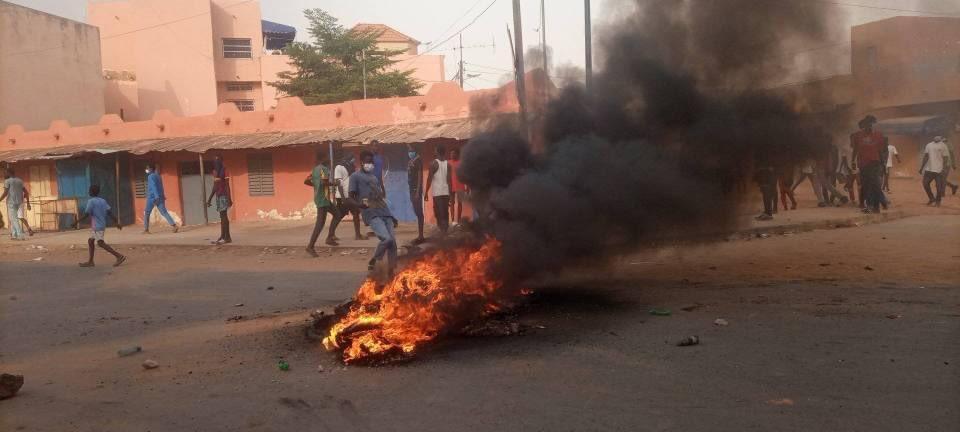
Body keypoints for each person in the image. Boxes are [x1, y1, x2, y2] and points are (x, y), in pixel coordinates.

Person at [348, 150, 398, 275]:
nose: (369, 164)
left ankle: (391, 271)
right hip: (370, 212)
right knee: (386, 239)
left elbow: (380, 198)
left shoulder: (374, 178)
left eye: (371, 162)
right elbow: (350, 197)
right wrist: (359, 206)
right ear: (361, 162)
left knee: (393, 242)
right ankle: (374, 259)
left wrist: (392, 216)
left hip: (385, 212)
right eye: (367, 161)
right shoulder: (355, 177)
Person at [75, 184, 126, 267]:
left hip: (96, 226)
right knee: (90, 241)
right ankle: (91, 261)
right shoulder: (103, 201)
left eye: (89, 190)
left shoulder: (91, 201)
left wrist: (76, 222)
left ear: (91, 192)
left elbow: (86, 214)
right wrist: (116, 222)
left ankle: (119, 256)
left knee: (100, 243)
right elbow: (109, 212)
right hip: (100, 225)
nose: (88, 191)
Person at [305, 152, 343, 256]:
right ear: (323, 159)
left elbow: (306, 181)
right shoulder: (324, 169)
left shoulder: (315, 169)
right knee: (320, 224)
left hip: (322, 198)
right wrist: (335, 183)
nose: (330, 160)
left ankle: (330, 237)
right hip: (322, 199)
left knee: (337, 214)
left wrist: (315, 185)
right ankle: (310, 246)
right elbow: (323, 183)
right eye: (328, 157)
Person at [851, 116, 887, 213]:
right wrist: (853, 161)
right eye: (867, 124)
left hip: (874, 163)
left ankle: (874, 206)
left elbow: (881, 151)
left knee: (874, 184)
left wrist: (883, 165)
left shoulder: (878, 135)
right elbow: (855, 150)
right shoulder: (858, 136)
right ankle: (873, 206)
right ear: (863, 126)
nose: (869, 126)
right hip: (862, 164)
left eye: (871, 124)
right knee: (866, 185)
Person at [334, 153, 365, 241]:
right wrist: (343, 198)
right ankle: (330, 235)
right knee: (339, 215)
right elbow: (339, 183)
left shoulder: (352, 167)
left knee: (355, 213)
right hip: (342, 196)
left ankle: (358, 235)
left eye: (353, 159)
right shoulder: (339, 167)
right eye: (351, 159)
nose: (353, 160)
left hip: (351, 195)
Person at [143, 163, 179, 234]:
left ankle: (146, 229)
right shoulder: (158, 176)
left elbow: (154, 187)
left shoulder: (150, 176)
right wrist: (161, 196)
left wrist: (156, 197)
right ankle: (174, 225)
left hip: (152, 198)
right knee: (164, 212)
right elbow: (161, 187)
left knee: (147, 213)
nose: (146, 170)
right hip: (160, 197)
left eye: (147, 168)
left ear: (151, 169)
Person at [424, 145, 453, 234]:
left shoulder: (433, 164)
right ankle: (445, 230)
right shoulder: (448, 164)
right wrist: (451, 194)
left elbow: (429, 179)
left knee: (439, 212)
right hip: (446, 192)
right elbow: (449, 181)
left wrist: (426, 192)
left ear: (437, 152)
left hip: (437, 193)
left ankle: (442, 231)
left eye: (435, 150)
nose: (434, 152)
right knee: (445, 212)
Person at [206, 156, 232, 244]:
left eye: (218, 161)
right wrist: (209, 199)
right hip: (218, 196)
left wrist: (229, 198)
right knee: (222, 217)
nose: (216, 162)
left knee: (224, 216)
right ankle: (223, 236)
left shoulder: (225, 171)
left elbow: (227, 186)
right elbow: (215, 186)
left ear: (221, 161)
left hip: (224, 196)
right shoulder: (215, 172)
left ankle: (227, 237)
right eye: (215, 161)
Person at [919, 136, 951, 207]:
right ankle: (931, 198)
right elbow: (926, 156)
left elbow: (946, 158)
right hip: (929, 169)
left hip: (939, 170)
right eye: (935, 138)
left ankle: (938, 201)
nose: (936, 139)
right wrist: (921, 168)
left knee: (939, 187)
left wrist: (943, 168)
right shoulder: (929, 145)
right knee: (925, 184)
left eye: (938, 138)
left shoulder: (943, 146)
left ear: (940, 139)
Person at [1, 168, 28, 240]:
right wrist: (27, 200)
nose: (5, 174)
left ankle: (20, 235)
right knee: (13, 219)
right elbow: (25, 191)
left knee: (14, 219)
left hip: (11, 202)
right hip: (20, 202)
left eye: (5, 173)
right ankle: (14, 234)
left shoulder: (7, 181)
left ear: (9, 173)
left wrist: (0, 199)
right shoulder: (20, 180)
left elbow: (5, 192)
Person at [407, 144, 426, 244]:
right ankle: (420, 235)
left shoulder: (418, 161)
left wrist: (418, 191)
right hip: (411, 189)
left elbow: (420, 177)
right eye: (409, 151)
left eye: (411, 150)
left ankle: (421, 235)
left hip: (415, 190)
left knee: (419, 212)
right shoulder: (411, 161)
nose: (410, 152)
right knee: (416, 211)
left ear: (416, 151)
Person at [448, 148, 468, 224]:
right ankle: (453, 220)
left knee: (460, 203)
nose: (451, 155)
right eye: (450, 153)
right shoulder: (448, 163)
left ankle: (459, 220)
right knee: (452, 203)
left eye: (453, 153)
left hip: (460, 186)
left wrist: (467, 187)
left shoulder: (461, 163)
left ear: (457, 154)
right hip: (451, 185)